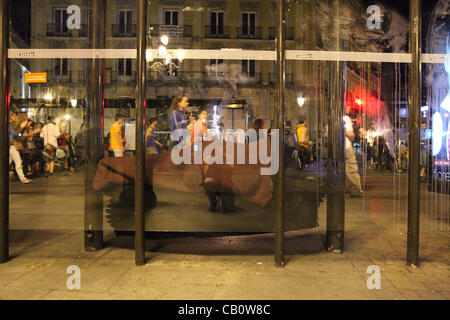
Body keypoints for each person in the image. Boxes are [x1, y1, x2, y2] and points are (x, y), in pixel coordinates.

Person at [9, 111, 31, 184]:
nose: (16, 117)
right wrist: (22, 127)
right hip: (11, 146)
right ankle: (22, 178)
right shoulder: (9, 125)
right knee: (18, 162)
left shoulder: (12, 125)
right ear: (10, 117)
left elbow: (18, 133)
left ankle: (23, 178)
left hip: (11, 146)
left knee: (9, 162)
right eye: (15, 116)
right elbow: (16, 135)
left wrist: (24, 127)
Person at [343, 115, 362, 197]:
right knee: (351, 168)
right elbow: (351, 135)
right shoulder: (346, 119)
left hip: (335, 148)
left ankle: (344, 190)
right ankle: (356, 189)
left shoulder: (332, 117)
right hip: (346, 147)